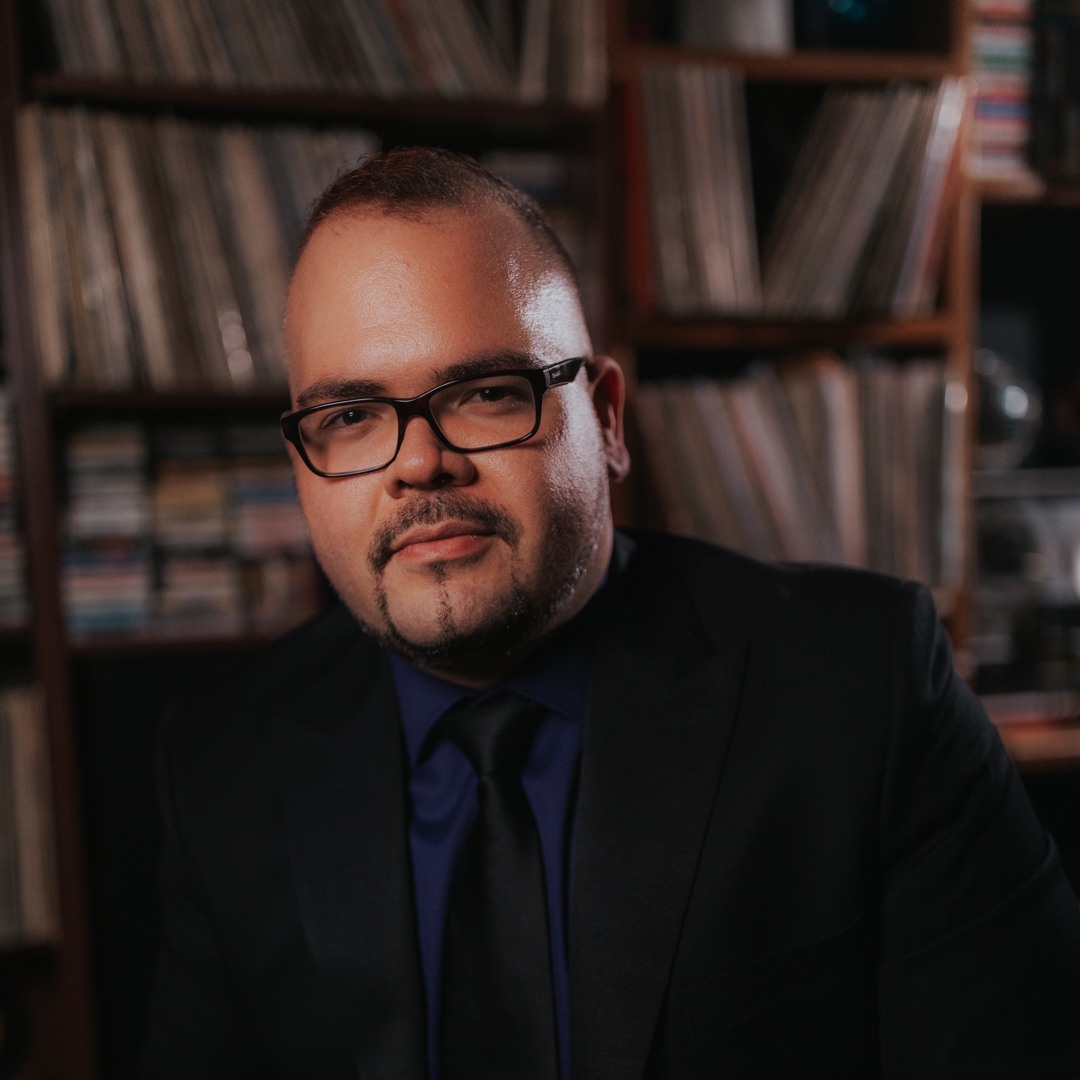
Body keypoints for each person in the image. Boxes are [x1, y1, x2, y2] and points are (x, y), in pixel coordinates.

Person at [142, 147, 1080, 1080]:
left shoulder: (864, 689)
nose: (418, 464)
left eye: (486, 393)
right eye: (349, 417)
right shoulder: (222, 764)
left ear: (608, 420)